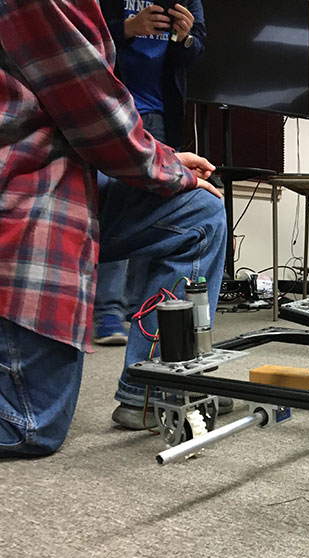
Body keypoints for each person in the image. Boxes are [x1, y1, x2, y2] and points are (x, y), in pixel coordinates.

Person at [0, 0, 225, 457]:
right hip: (27, 189)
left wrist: (159, 159)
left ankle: (149, 391)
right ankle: (106, 313)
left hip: (85, 153)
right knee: (30, 424)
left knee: (197, 211)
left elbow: (99, 117)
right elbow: (95, 112)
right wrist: (160, 164)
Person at [93, 0, 206, 345]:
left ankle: (134, 308)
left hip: (160, 114)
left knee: (152, 212)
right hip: (111, 107)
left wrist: (185, 38)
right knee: (116, 207)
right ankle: (107, 313)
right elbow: (82, 36)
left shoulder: (188, 1)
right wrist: (128, 28)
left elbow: (195, 52)